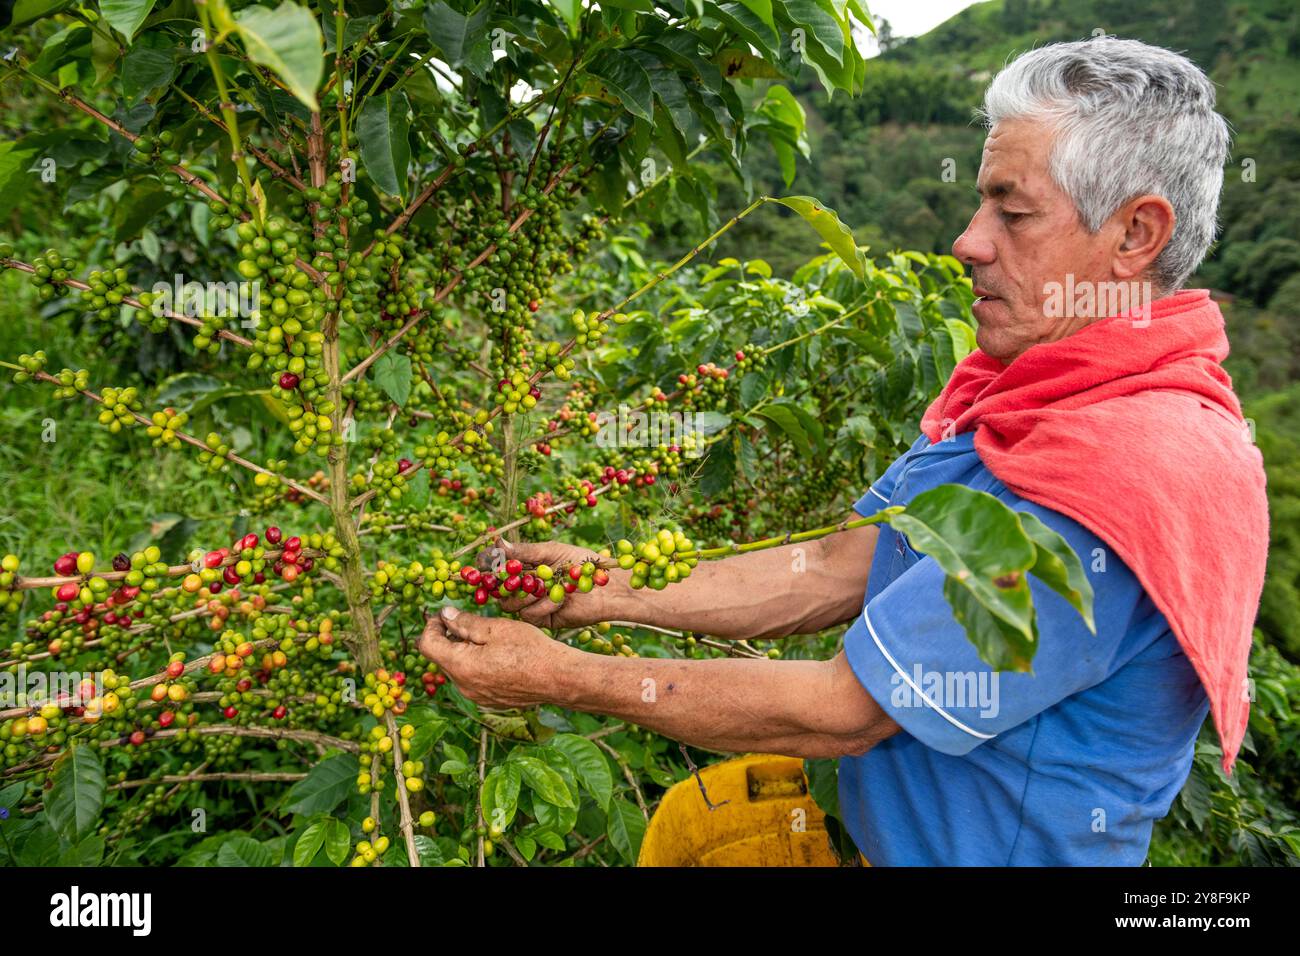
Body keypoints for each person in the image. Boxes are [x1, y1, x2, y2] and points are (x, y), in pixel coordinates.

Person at [419, 37, 1269, 865]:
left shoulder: (1130, 475)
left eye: (1013, 212)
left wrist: (561, 678)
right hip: (869, 833)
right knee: (694, 825)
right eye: (981, 205)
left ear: (1134, 235)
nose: (969, 242)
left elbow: (844, 711)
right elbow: (835, 567)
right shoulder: (1022, 397)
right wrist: (605, 589)